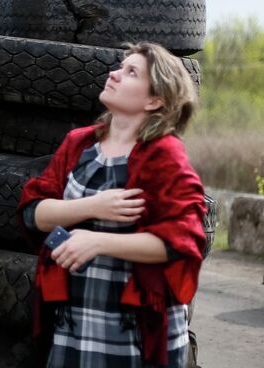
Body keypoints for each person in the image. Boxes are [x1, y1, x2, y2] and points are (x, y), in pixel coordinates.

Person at [17, 42, 207, 368]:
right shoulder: (80, 143)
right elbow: (33, 212)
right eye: (120, 67)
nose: (115, 74)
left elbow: (184, 240)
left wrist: (98, 241)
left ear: (155, 99)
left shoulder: (164, 154)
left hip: (132, 330)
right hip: (72, 322)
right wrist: (93, 207)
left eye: (131, 72)